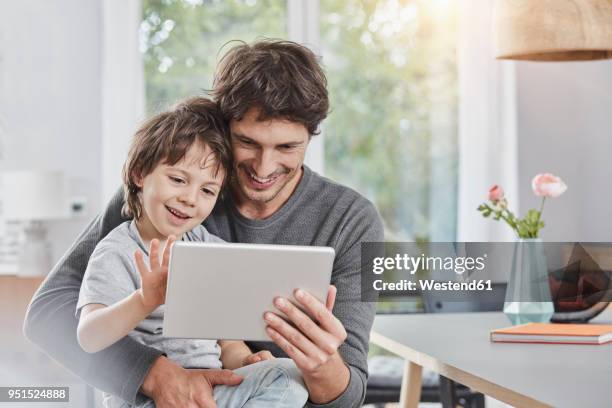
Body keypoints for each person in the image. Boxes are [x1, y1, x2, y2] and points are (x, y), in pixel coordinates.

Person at [24, 39, 384, 408]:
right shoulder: (163, 194)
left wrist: (321, 365)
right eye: (247, 142)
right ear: (224, 126)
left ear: (311, 136)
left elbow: (349, 394)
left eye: (287, 148)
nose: (263, 168)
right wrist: (155, 375)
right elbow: (47, 314)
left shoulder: (353, 221)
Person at [75, 96, 308, 408]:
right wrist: (144, 301)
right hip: (148, 399)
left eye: (207, 191)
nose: (189, 198)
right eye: (178, 180)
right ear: (139, 174)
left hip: (209, 393)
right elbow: (88, 337)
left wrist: (247, 360)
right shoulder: (116, 252)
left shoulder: (205, 248)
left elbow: (228, 344)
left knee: (289, 376)